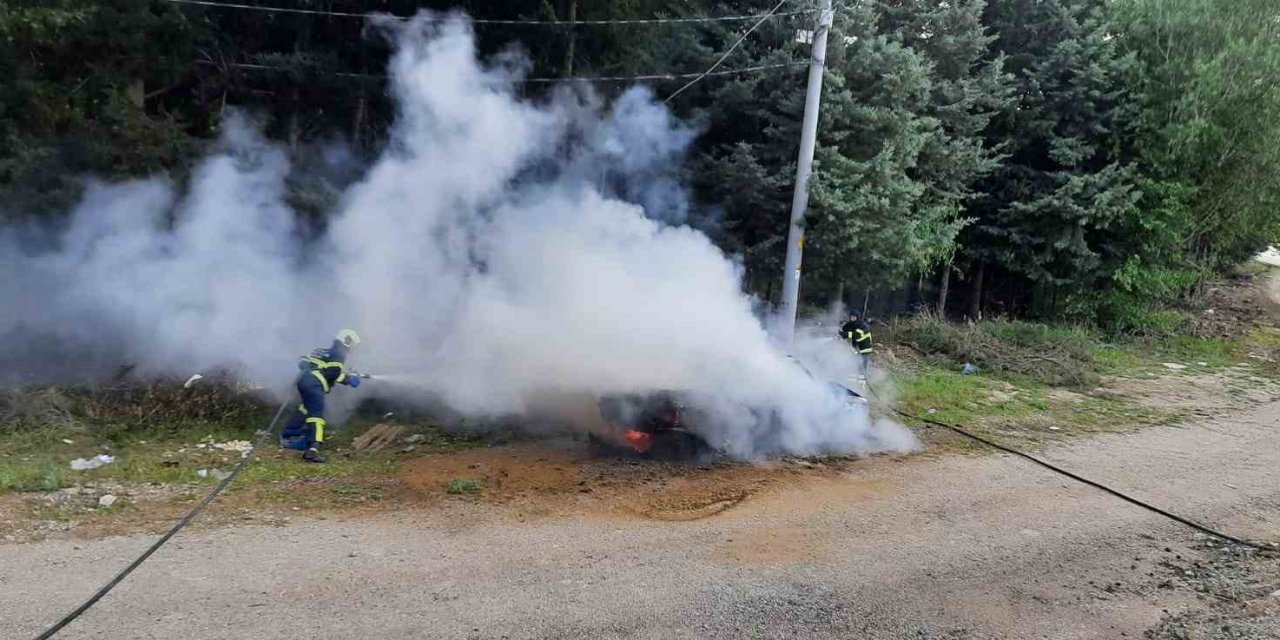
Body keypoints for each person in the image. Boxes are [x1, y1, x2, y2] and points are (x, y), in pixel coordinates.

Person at [280, 329, 364, 463]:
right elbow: (332, 373)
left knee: (305, 408)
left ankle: (289, 435)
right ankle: (313, 450)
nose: (350, 352)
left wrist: (306, 365)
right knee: (316, 417)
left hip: (303, 381)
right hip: (315, 384)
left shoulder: (321, 351)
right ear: (347, 344)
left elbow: (302, 360)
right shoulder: (339, 353)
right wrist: (349, 379)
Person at [839, 310, 874, 376]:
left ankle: (861, 379)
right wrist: (841, 330)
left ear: (857, 317)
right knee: (854, 362)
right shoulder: (853, 324)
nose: (852, 319)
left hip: (865, 348)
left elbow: (856, 335)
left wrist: (844, 334)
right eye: (851, 317)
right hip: (857, 347)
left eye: (853, 317)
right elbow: (846, 328)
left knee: (862, 365)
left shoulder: (863, 326)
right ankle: (854, 376)